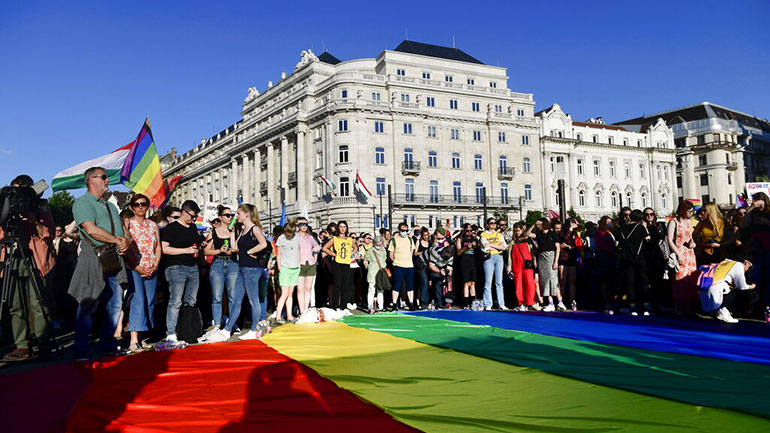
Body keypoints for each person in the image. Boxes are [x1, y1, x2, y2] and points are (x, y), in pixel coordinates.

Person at [68, 167, 132, 360]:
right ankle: (81, 350)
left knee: (115, 304)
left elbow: (123, 231)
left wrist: (126, 241)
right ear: (91, 180)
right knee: (89, 302)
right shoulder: (83, 202)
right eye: (103, 177)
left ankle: (108, 346)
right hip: (94, 255)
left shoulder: (110, 206)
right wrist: (118, 240)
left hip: (114, 257)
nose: (107, 180)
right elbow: (91, 229)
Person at [1, 175, 57, 361]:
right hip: (12, 259)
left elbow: (49, 233)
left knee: (38, 303)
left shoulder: (39, 206)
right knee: (15, 305)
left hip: (35, 260)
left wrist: (33, 219)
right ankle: (22, 346)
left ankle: (43, 345)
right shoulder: (6, 206)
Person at [123, 194, 162, 352]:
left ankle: (141, 337)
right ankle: (133, 340)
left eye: (143, 204)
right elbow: (125, 248)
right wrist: (137, 267)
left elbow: (158, 247)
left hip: (151, 267)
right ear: (132, 207)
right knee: (138, 300)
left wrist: (155, 266)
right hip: (134, 268)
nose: (140, 207)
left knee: (149, 302)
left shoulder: (153, 225)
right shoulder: (128, 223)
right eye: (137, 204)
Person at [160, 200, 202, 343]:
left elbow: (196, 244)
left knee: (191, 301)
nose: (194, 219)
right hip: (176, 267)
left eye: (195, 217)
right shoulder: (171, 228)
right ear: (184, 212)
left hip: (193, 267)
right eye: (192, 216)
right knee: (175, 301)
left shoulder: (193, 227)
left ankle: (187, 330)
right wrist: (186, 250)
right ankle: (171, 332)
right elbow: (164, 248)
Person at [202, 205, 240, 334]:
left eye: (232, 215)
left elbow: (236, 248)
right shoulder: (213, 232)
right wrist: (219, 250)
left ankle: (232, 323)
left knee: (232, 296)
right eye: (227, 215)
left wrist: (233, 236)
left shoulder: (235, 231)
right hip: (218, 263)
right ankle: (217, 324)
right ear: (220, 217)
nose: (230, 217)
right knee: (217, 296)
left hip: (232, 263)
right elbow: (206, 251)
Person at [741, 192, 770, 320]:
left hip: (768, 246)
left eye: (757, 200)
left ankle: (767, 307)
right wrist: (751, 208)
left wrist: (766, 222)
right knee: (756, 277)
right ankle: (756, 307)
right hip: (757, 248)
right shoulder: (753, 213)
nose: (756, 202)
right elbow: (743, 225)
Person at [667, 200, 698, 316]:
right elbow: (669, 240)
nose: (691, 214)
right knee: (679, 280)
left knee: (690, 279)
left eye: (692, 211)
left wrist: (692, 243)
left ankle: (688, 307)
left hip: (689, 253)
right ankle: (677, 307)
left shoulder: (689, 222)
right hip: (679, 252)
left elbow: (690, 237)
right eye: (689, 211)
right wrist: (678, 253)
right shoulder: (673, 222)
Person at [618, 210, 651, 316]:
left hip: (626, 259)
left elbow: (618, 244)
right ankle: (645, 306)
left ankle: (632, 306)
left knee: (630, 283)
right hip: (639, 258)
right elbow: (648, 240)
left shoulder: (622, 229)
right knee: (642, 282)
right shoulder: (640, 228)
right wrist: (645, 228)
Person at [322, 220, 357, 310]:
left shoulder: (349, 239)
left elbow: (355, 248)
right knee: (337, 285)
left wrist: (350, 253)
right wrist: (334, 254)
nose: (342, 229)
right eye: (340, 227)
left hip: (346, 263)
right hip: (337, 263)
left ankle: (343, 307)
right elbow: (325, 248)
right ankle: (335, 306)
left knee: (345, 286)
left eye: (344, 227)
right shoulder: (335, 238)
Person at [508, 222, 540, 311]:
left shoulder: (528, 239)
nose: (517, 233)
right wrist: (509, 266)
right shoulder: (512, 242)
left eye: (518, 230)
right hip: (516, 264)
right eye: (515, 231)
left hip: (527, 263)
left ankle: (531, 302)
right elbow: (510, 255)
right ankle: (521, 303)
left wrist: (534, 260)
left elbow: (533, 250)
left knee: (530, 283)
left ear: (522, 230)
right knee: (518, 284)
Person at [535, 218, 564, 311]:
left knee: (553, 280)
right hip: (542, 258)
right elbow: (527, 234)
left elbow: (558, 247)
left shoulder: (552, 233)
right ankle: (552, 302)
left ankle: (558, 302)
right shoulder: (539, 234)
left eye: (539, 224)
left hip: (551, 257)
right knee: (545, 281)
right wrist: (533, 224)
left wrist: (556, 261)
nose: (538, 226)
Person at [274, 220, 301, 322]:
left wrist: (299, 265)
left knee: (290, 293)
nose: (288, 235)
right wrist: (280, 267)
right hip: (285, 268)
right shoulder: (281, 239)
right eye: (286, 233)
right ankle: (278, 315)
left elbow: (298, 251)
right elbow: (278, 254)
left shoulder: (297, 238)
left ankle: (289, 315)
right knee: (284, 293)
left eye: (290, 233)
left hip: (295, 268)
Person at [387, 221, 417, 310]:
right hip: (398, 265)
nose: (404, 232)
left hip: (409, 266)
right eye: (403, 230)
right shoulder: (394, 240)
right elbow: (391, 254)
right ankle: (394, 304)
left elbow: (412, 252)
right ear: (399, 230)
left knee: (410, 285)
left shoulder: (410, 240)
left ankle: (411, 303)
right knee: (397, 285)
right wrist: (395, 262)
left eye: (406, 230)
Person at [480, 217, 507, 310]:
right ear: (488, 225)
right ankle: (488, 303)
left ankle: (501, 303)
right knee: (488, 281)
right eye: (491, 223)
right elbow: (486, 247)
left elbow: (504, 247)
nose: (494, 224)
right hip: (489, 258)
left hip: (499, 257)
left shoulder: (499, 234)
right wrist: (497, 246)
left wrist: (491, 245)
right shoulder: (483, 234)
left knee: (499, 281)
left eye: (495, 223)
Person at [595, 216, 619, 314]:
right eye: (607, 222)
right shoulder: (599, 233)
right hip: (605, 259)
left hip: (613, 259)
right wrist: (612, 251)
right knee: (605, 281)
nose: (609, 224)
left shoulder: (612, 232)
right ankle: (607, 302)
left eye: (610, 222)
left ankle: (613, 301)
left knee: (613, 281)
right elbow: (601, 246)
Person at [426, 227, 454, 309]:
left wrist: (448, 272)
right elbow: (431, 265)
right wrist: (439, 272)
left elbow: (449, 267)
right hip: (426, 263)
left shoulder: (450, 255)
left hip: (438, 265)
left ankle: (441, 302)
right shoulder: (436, 251)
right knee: (432, 281)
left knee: (441, 282)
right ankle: (430, 302)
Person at [297, 217, 320, 315]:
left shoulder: (310, 237)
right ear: (298, 226)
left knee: (308, 288)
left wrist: (314, 254)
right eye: (302, 224)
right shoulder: (295, 237)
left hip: (310, 264)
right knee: (300, 289)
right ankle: (301, 311)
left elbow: (317, 246)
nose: (304, 226)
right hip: (299, 264)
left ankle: (306, 310)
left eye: (306, 224)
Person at [559, 218, 581, 311]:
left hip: (572, 258)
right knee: (562, 281)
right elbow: (565, 239)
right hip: (563, 258)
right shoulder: (562, 233)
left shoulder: (576, 234)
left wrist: (569, 247)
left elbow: (578, 245)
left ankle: (572, 301)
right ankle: (560, 301)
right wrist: (570, 229)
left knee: (572, 281)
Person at [363, 235, 389, 312]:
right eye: (377, 242)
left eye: (380, 242)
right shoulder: (370, 250)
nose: (378, 244)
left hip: (381, 272)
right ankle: (370, 307)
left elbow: (384, 259)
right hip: (372, 272)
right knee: (371, 290)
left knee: (381, 290)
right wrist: (367, 267)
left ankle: (381, 307)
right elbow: (365, 261)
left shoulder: (383, 250)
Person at [455, 223, 478, 308]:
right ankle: (465, 302)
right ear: (464, 230)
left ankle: (472, 301)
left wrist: (476, 246)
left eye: (471, 231)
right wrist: (466, 247)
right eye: (467, 231)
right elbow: (458, 252)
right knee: (466, 283)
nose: (469, 232)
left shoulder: (474, 239)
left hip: (473, 263)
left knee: (472, 283)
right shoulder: (460, 239)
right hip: (464, 263)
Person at [415, 227, 431, 309]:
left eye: (426, 235)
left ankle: (428, 301)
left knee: (428, 283)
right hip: (421, 264)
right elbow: (415, 253)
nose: (425, 237)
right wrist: (423, 252)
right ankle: (423, 302)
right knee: (424, 281)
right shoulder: (419, 242)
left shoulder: (430, 242)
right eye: (424, 235)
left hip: (429, 264)